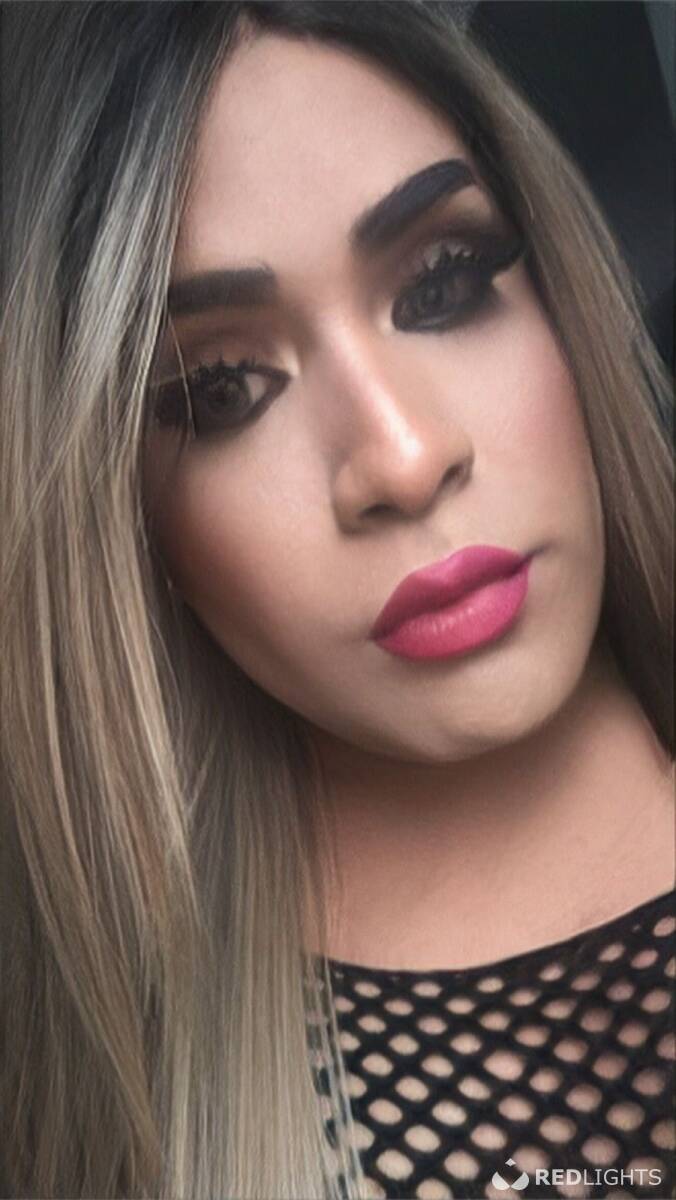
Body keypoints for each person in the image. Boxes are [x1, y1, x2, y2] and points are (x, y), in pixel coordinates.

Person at [0, 3, 673, 1198]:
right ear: (124, 520)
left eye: (443, 286)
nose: (402, 461)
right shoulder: (98, 1081)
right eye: (222, 389)